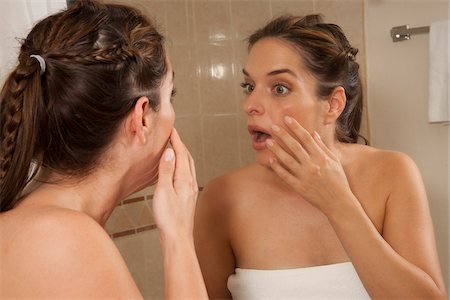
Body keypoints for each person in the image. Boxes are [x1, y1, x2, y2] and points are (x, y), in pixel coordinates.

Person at [194, 14, 447, 299]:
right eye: (249, 87)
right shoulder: (222, 197)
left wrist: (338, 203)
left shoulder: (392, 173)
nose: (251, 105)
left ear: (332, 105)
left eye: (280, 88)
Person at [0, 0, 207, 298]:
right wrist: (178, 239)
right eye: (170, 95)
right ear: (143, 118)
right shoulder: (64, 240)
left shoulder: (38, 223)